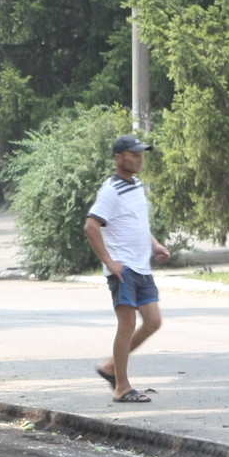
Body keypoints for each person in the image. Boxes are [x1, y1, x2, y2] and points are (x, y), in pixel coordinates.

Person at [84, 134, 171, 403]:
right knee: (127, 325)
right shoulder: (111, 190)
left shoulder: (137, 186)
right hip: (123, 269)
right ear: (118, 158)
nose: (139, 158)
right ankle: (122, 386)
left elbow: (137, 223)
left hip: (141, 266)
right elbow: (91, 226)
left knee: (154, 321)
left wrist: (155, 245)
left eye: (141, 154)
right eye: (133, 154)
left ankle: (111, 366)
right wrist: (109, 262)